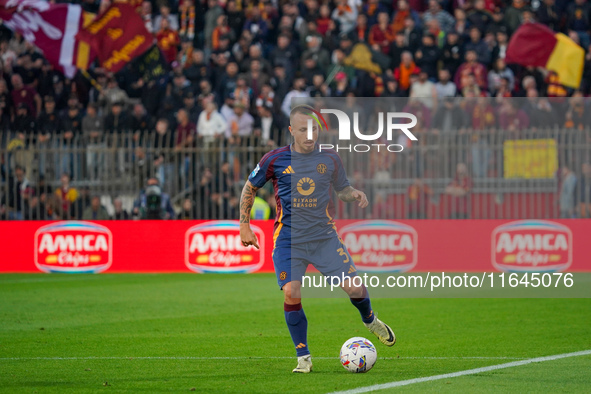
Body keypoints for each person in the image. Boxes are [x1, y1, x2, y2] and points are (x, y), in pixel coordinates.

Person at [239, 105, 395, 374]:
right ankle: (304, 356)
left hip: (324, 238)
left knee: (356, 289)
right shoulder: (274, 159)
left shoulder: (331, 158)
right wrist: (244, 225)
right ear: (291, 131)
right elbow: (250, 186)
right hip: (289, 240)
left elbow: (342, 189)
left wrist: (353, 193)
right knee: (291, 291)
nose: (309, 134)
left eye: (313, 129)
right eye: (303, 129)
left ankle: (370, 320)